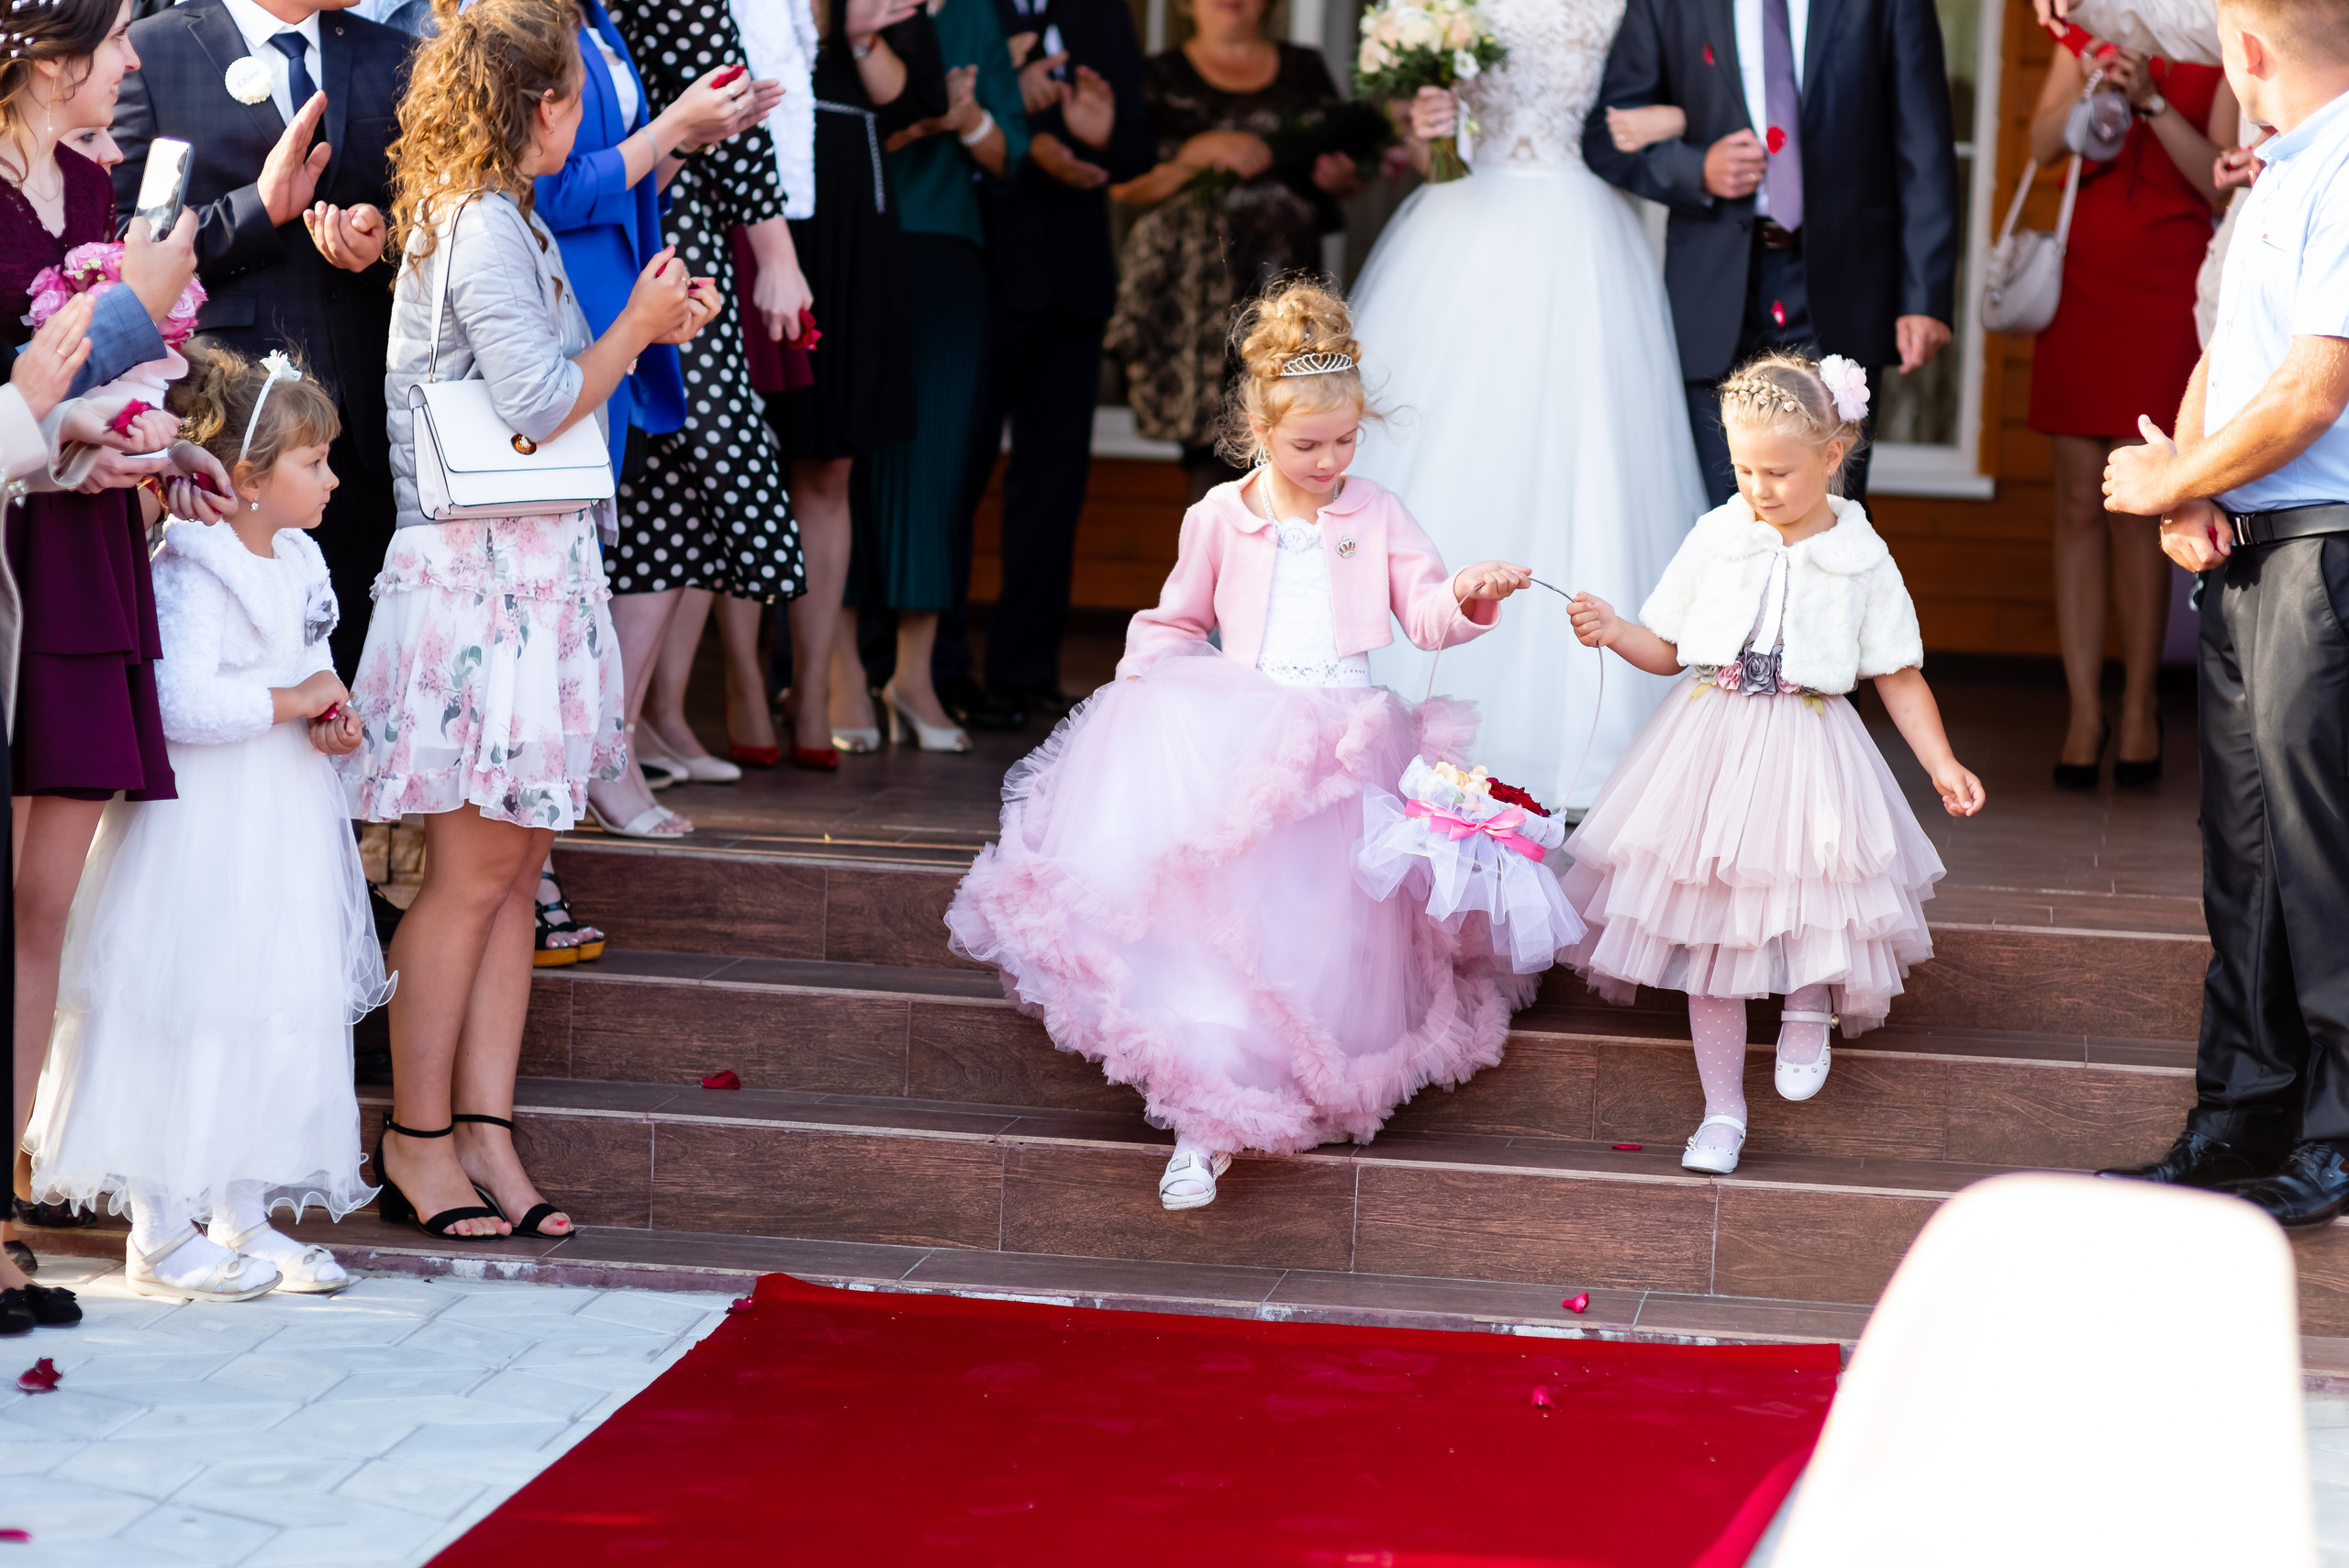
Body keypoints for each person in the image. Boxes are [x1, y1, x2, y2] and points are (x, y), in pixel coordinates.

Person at [946, 281, 1534, 1212]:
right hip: (1245, 739)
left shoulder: (1374, 510)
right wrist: (1146, 693)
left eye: (1346, 442)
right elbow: (1176, 618)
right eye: (1308, 445)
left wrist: (1465, 593)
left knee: (1324, 932)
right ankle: (1205, 1115)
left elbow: (1422, 611)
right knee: (1225, 928)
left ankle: (1293, 1081)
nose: (1330, 460)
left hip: (1342, 745)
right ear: (1259, 428)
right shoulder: (1220, 514)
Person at [347, 0, 706, 1240]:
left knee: (518, 867)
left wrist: (639, 323)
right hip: (480, 578)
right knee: (471, 875)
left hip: (526, 572)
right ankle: (419, 1133)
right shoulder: (484, 225)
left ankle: (487, 1131)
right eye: (567, 100)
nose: (579, 117)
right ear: (529, 107)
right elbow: (543, 402)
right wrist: (639, 329)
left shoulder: (503, 216)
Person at [1563, 352, 1985, 1175]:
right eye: (1746, 468)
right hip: (1707, 743)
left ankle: (1806, 1004)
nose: (1760, 488)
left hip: (1809, 740)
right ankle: (1722, 1108)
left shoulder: (1862, 557)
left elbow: (1897, 672)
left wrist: (1940, 762)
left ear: (1832, 456)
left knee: (1811, 893)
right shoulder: (1718, 536)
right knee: (1708, 925)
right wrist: (1617, 631)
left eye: (1780, 472)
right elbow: (1672, 646)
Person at [26, 342, 384, 1302]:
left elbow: (310, 668)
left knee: (263, 1004)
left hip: (281, 821)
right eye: (315, 462)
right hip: (202, 832)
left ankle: (241, 1206)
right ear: (253, 478)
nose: (333, 478)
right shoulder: (195, 559)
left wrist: (331, 715)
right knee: (182, 1003)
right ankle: (159, 1221)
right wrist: (291, 699)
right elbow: (180, 702)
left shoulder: (304, 558)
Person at [1, 0, 234, 1324]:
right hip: (4, 549)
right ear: (51, 56)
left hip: (82, 550)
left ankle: (9, 1203)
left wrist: (147, 447)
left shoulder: (93, 177)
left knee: (45, 905)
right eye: (122, 40)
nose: (138, 64)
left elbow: (85, 397)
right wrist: (127, 321)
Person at [2098, 0, 2349, 1229]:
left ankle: (2341, 1138)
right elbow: (2230, 355)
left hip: (2331, 547)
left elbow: (2313, 388)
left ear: (2244, 53)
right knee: (2245, 857)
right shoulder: (2280, 172)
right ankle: (2241, 1117)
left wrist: (2168, 476)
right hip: (2250, 547)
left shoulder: (2348, 166)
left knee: (2323, 858)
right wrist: (2192, 482)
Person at [1349, 0, 1710, 817]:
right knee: (1456, 439)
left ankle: (1596, 712)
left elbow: (1698, 88)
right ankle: (1407, 709)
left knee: (1590, 450)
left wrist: (1662, 117)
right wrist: (1427, 124)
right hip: (1464, 224)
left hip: (1582, 229)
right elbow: (1420, 138)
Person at [112, 0, 417, 684]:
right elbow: (121, 246)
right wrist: (258, 209)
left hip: (364, 424)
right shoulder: (150, 53)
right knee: (232, 666)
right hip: (228, 433)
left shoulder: (392, 53)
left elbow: (432, 219)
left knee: (352, 665)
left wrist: (383, 244)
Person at [535, 0, 777, 839]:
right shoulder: (513, 22)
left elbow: (624, 175)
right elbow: (549, 192)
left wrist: (687, 139)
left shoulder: (594, 15)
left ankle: (606, 753)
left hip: (623, 300)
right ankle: (569, 776)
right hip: (561, 308)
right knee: (563, 561)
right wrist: (672, 123)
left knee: (601, 549)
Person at [1583, 0, 1961, 506]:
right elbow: (1606, 138)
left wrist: (1926, 295)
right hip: (1715, 293)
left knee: (1831, 517)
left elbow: (1924, 143)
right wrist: (1696, 170)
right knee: (1725, 522)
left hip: (1842, 286)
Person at [609, 0, 810, 783]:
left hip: (661, 209)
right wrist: (779, 255)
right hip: (662, 227)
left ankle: (637, 730)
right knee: (693, 472)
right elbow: (724, 101)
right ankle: (620, 736)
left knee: (670, 490)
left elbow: (726, 107)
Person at [2029, 29, 2233, 790]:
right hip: (2082, 276)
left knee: (2141, 504)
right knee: (2078, 500)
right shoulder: (2083, 31)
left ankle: (2142, 704)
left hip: (2165, 284)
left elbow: (2216, 181)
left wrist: (2148, 99)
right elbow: (2043, 143)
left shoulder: (2213, 38)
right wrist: (2091, 86)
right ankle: (2085, 710)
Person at [941, 0, 1148, 728]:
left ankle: (1024, 671)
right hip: (981, 268)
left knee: (1053, 486)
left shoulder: (1102, 13)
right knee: (956, 476)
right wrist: (1018, 117)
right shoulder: (966, 11)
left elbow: (1135, 148)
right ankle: (939, 670)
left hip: (1075, 279)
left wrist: (1099, 138)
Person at [841, 0, 1027, 753]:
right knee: (841, 464)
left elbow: (1012, 151)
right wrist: (914, 124)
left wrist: (969, 116)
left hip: (949, 254)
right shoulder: (840, 9)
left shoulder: (976, 15)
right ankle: (838, 669)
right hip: (851, 244)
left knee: (939, 464)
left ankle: (913, 676)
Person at [764, 0, 945, 769]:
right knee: (750, 457)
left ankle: (819, 680)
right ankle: (756, 678)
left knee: (832, 460)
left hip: (852, 220)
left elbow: (909, 97)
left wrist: (862, 29)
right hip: (765, 208)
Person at [1104, 0, 1353, 506]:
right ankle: (1215, 574)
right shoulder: (1155, 75)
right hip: (1193, 289)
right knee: (1215, 442)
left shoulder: (1303, 67)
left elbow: (1348, 172)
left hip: (1284, 284)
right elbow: (1124, 188)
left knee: (1293, 427)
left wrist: (1345, 177)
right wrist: (1197, 155)